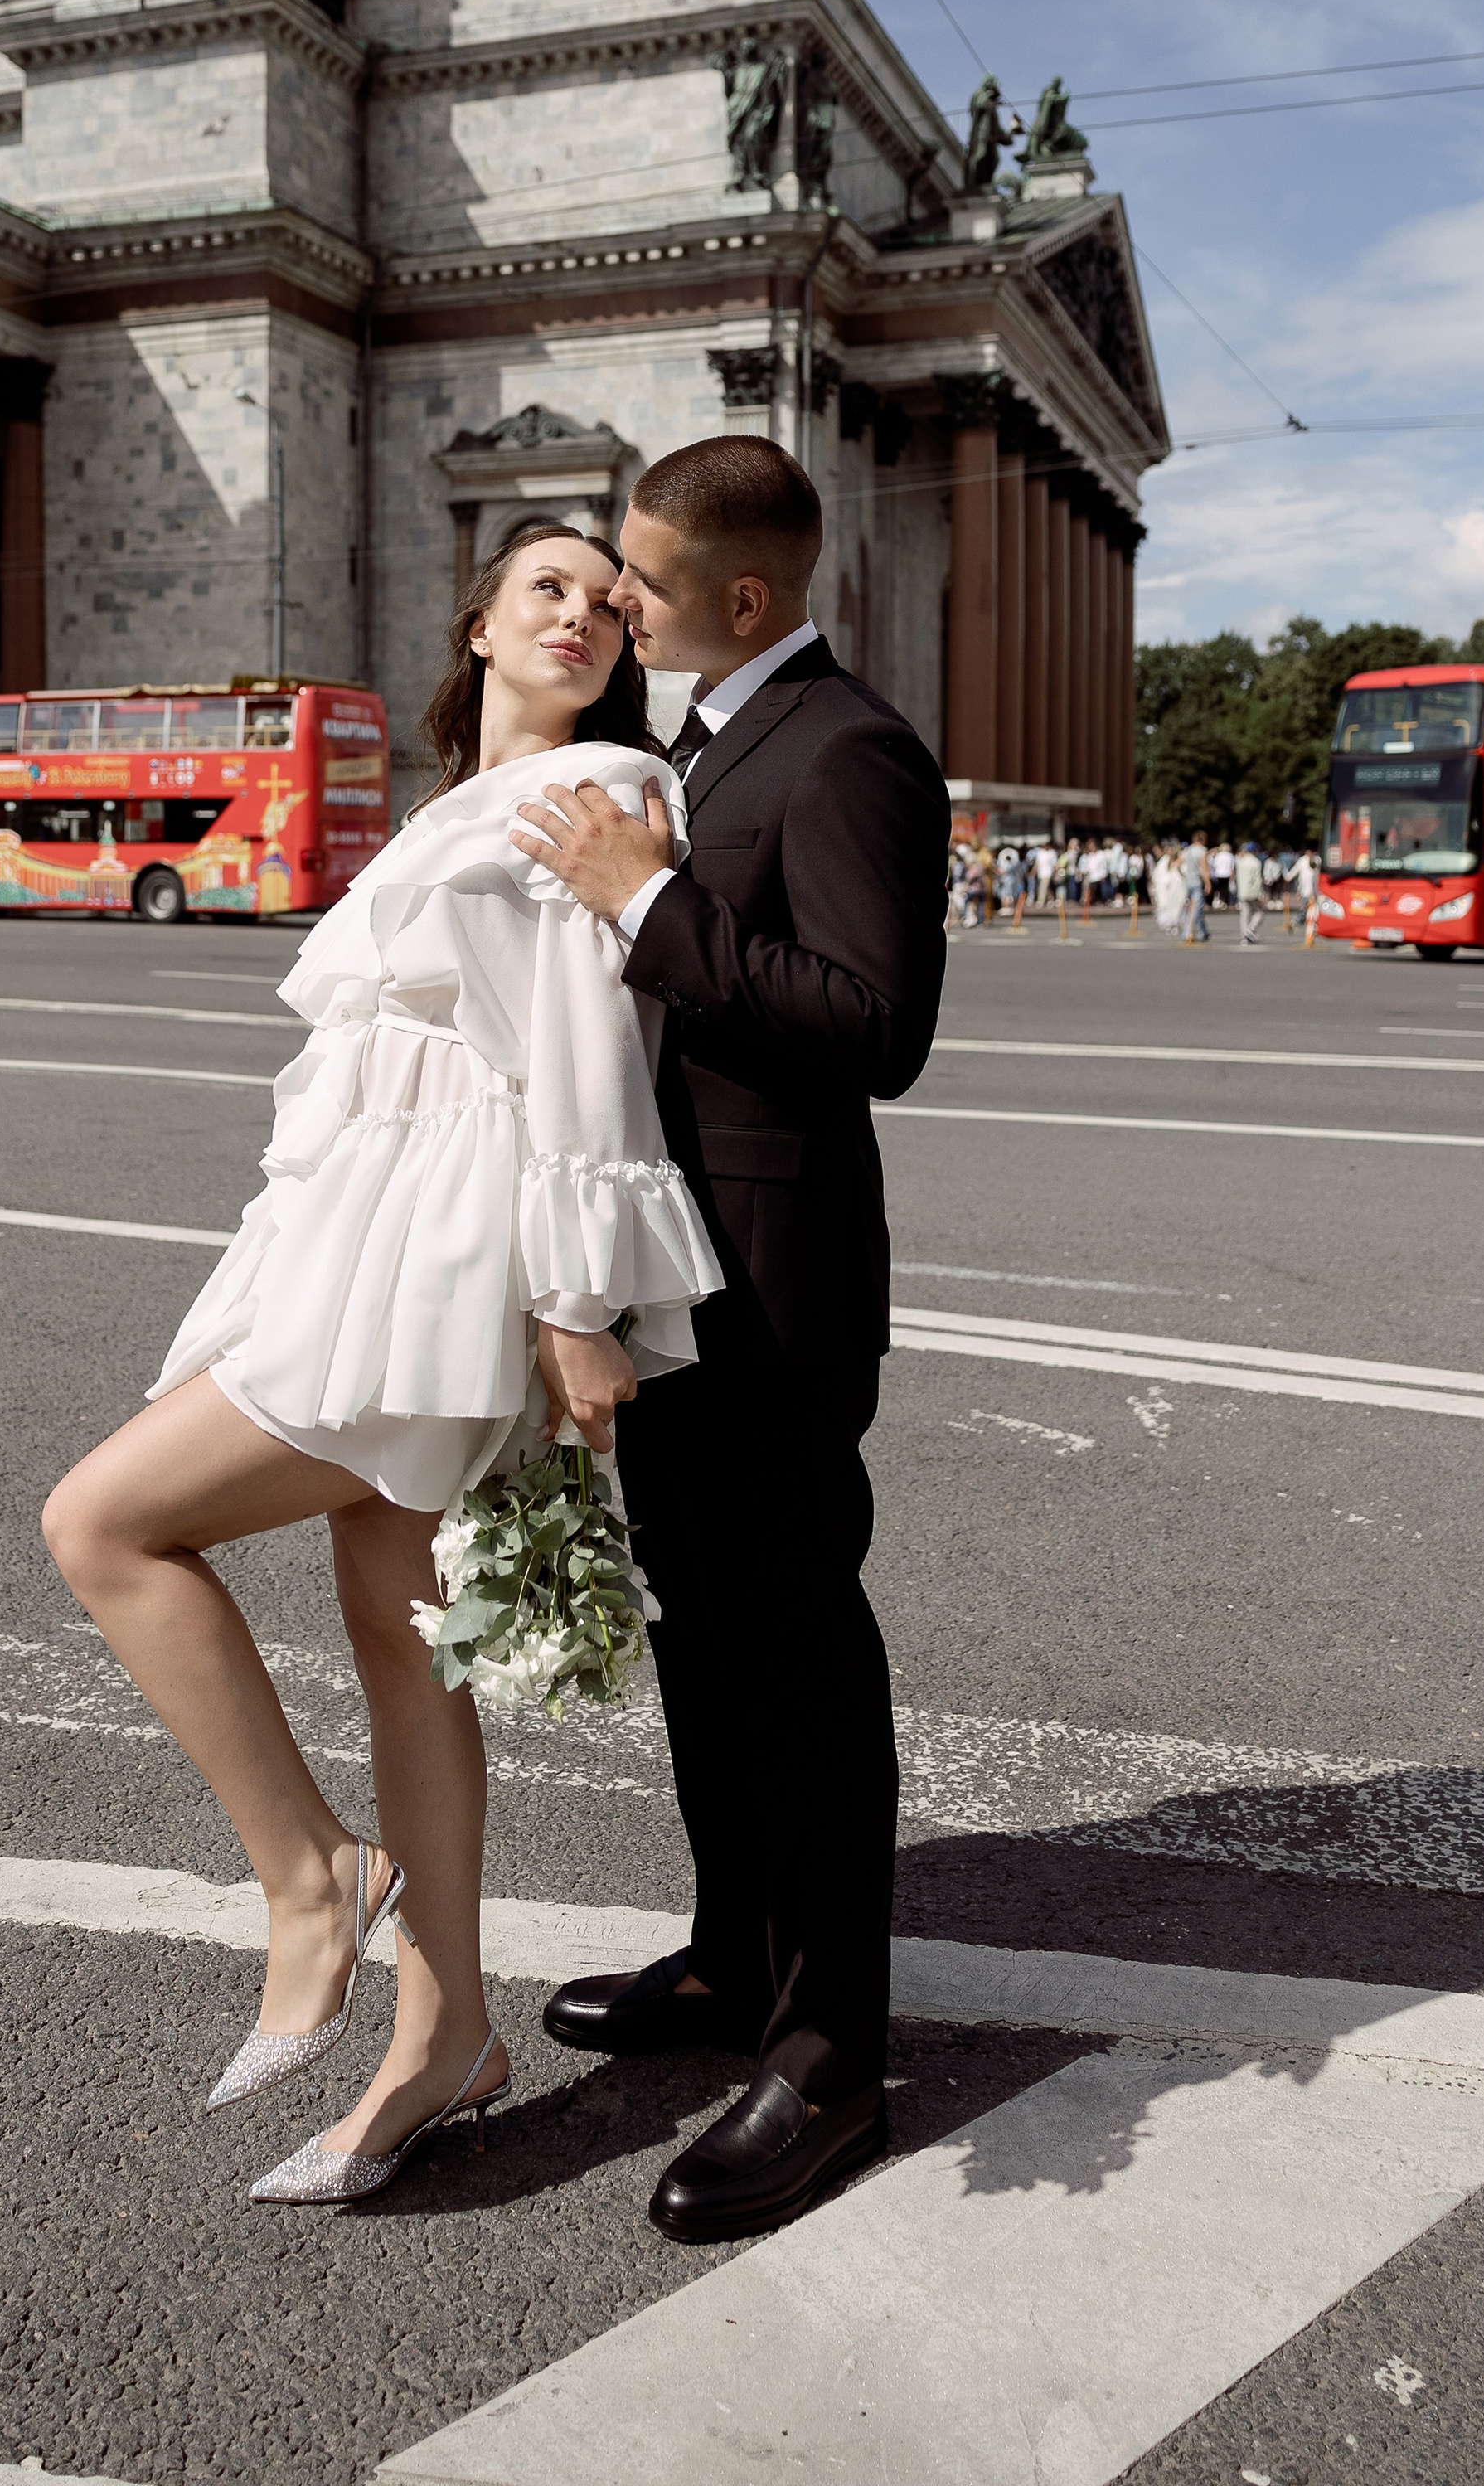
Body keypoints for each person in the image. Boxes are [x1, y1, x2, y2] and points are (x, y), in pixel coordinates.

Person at [41, 525, 722, 2210]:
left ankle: (306, 1881)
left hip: (448, 1261)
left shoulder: (598, 785)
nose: (578, 612)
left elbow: (586, 1058)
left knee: (106, 1525)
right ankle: (446, 2040)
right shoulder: (451, 810)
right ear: (473, 624)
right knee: (404, 1650)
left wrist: (574, 1303)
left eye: (602, 598)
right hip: (371, 1243)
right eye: (542, 588)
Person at [508, 436, 951, 2243]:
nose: (617, 598)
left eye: (644, 579)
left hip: (770, 1284)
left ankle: (831, 2046)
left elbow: (872, 1026)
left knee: (796, 1658)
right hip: (664, 1269)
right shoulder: (690, 744)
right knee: (701, 1633)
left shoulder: (847, 751)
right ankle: (727, 1953)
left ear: (743, 599)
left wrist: (644, 899)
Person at [1181, 830, 1210, 943]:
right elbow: (1204, 869)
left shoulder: (1187, 850)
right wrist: (1208, 883)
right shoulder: (1202, 851)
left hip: (1187, 882)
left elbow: (1178, 864)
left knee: (1192, 908)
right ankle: (1188, 932)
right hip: (1197, 882)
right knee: (1197, 909)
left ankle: (1203, 932)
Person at [1235, 838, 1265, 945]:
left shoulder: (1240, 862)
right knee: (1260, 912)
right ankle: (1250, 930)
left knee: (1245, 914)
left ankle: (1244, 937)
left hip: (1242, 891)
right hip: (1252, 891)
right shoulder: (1256, 862)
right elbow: (1258, 879)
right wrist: (1261, 893)